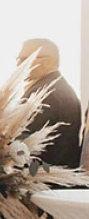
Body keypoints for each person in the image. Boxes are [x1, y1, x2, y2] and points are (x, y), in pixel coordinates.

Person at [19, 38, 82, 168]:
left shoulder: (45, 93)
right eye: (18, 59)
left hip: (42, 176)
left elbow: (22, 141)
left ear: (49, 62)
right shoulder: (59, 87)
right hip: (54, 173)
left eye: (25, 59)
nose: (19, 65)